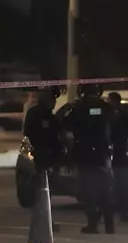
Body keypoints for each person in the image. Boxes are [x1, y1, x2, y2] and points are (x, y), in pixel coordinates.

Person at [65, 84, 116, 234]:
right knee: (105, 191)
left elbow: (67, 123)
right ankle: (109, 225)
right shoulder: (105, 107)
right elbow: (113, 119)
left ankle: (93, 225)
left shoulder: (80, 107)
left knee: (90, 192)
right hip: (103, 154)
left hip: (86, 154)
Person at [23, 86, 66, 232]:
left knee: (45, 191)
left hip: (47, 157)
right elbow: (32, 134)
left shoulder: (48, 115)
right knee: (43, 191)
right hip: (43, 157)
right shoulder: (40, 115)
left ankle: (44, 221)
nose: (54, 103)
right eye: (52, 100)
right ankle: (43, 222)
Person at [107, 92, 128, 223]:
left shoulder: (123, 117)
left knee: (121, 183)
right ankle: (117, 211)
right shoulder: (109, 115)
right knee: (114, 183)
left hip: (120, 154)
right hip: (114, 153)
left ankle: (122, 211)